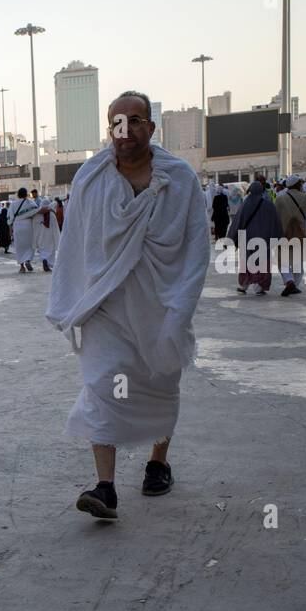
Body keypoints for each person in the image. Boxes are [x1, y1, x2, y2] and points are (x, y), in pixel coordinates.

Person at [45, 90, 209, 521]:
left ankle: (158, 462)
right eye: (117, 121)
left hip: (160, 302)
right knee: (102, 384)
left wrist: (182, 302)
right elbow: (76, 245)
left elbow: (196, 246)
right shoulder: (91, 179)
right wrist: (75, 296)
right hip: (106, 303)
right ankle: (105, 486)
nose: (126, 129)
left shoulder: (179, 179)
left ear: (151, 128)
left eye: (135, 120)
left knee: (159, 384)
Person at [227, 180, 281, 295]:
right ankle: (259, 286)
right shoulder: (269, 205)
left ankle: (243, 285)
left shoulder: (245, 204)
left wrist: (232, 237)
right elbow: (275, 222)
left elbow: (237, 222)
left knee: (246, 261)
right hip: (263, 239)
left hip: (246, 238)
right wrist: (276, 237)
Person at [273, 174, 306, 296]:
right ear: (298, 184)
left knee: (282, 259)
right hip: (300, 233)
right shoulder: (305, 197)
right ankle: (295, 284)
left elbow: (276, 217)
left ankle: (289, 281)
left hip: (284, 233)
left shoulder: (280, 198)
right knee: (298, 260)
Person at [9, 187, 39, 271]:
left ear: (18, 195)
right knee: (29, 245)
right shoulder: (30, 202)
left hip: (17, 226)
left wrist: (10, 230)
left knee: (19, 246)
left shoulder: (13, 204)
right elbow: (36, 212)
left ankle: (22, 267)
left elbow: (10, 218)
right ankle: (28, 260)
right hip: (28, 225)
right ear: (26, 194)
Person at [34, 197, 61, 272]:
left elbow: (35, 227)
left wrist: (36, 238)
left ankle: (44, 260)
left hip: (41, 237)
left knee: (43, 250)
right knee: (50, 251)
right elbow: (56, 228)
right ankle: (48, 264)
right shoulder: (52, 214)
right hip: (50, 237)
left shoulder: (38, 215)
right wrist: (57, 239)